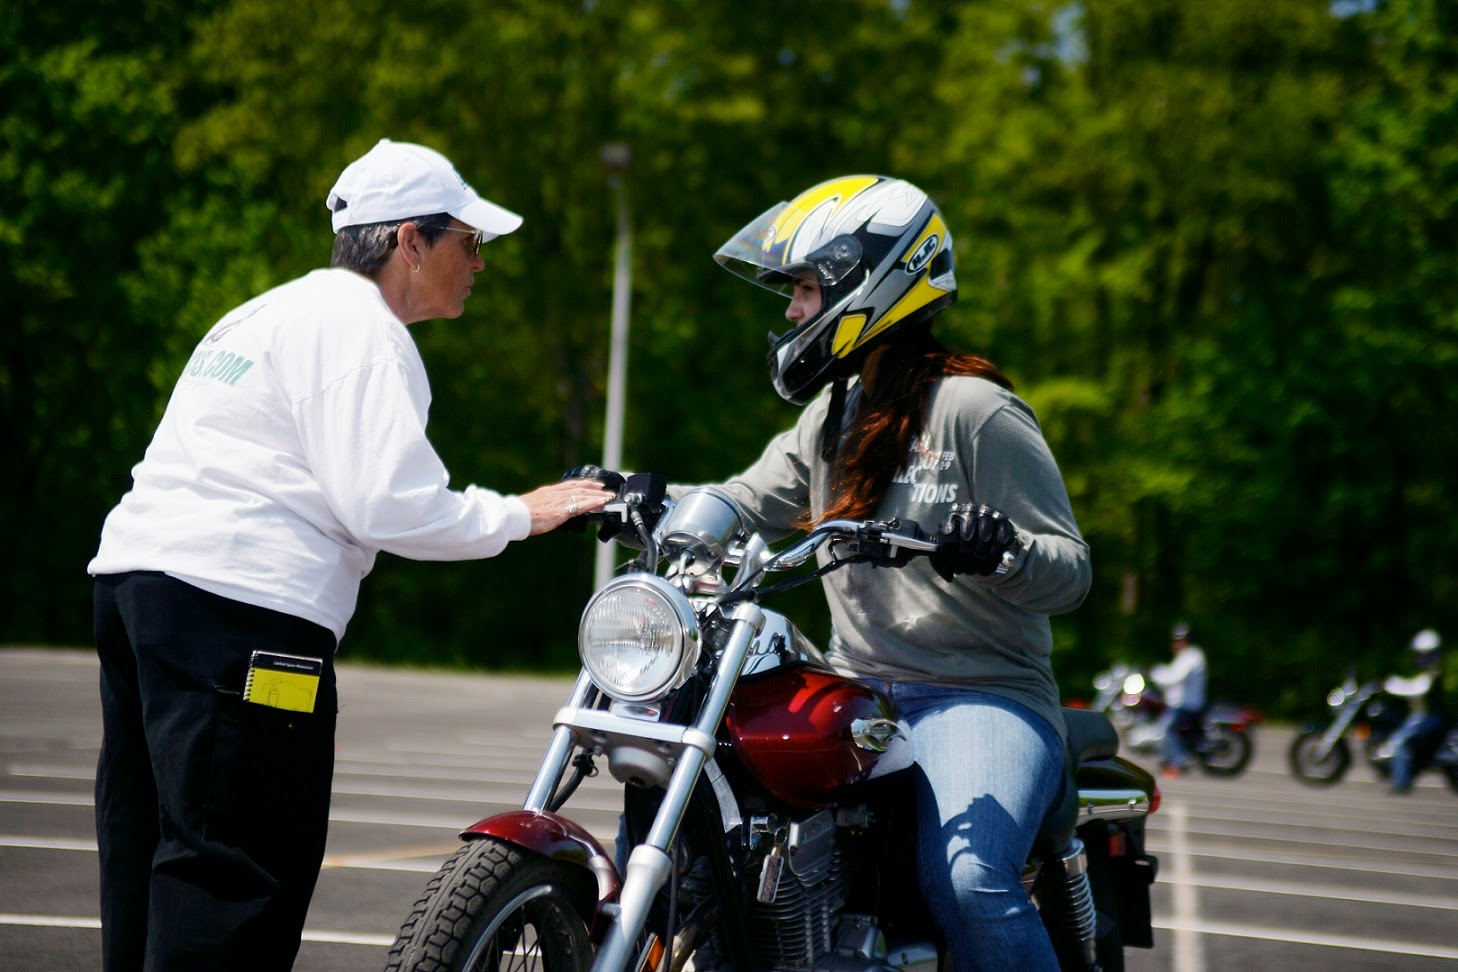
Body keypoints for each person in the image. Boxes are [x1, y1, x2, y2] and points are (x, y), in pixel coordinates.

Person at [85, 138, 612, 971]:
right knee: (236, 872)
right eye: (470, 242)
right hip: (242, 613)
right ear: (410, 241)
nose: (481, 262)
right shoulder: (367, 334)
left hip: (139, 593)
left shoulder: (263, 312)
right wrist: (521, 514)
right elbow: (390, 506)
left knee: (149, 853)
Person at [645, 176, 1090, 971]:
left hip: (979, 689)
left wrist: (1001, 551)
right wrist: (639, 496)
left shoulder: (975, 410)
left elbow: (1070, 570)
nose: (791, 312)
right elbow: (746, 499)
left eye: (808, 289)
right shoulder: (832, 417)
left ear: (871, 284)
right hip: (857, 685)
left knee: (970, 878)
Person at [1380, 629, 1449, 793]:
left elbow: (1415, 689)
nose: (1419, 658)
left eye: (1423, 655)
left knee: (1399, 742)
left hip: (1427, 717)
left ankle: (1401, 784)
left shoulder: (1434, 673)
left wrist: (1391, 685)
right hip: (1423, 716)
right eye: (1419, 654)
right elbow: (1414, 685)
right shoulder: (1430, 672)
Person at [1149, 622, 1208, 778]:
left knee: (1166, 729)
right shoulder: (1184, 657)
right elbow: (1170, 672)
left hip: (1188, 706)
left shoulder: (1192, 656)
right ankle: (1168, 760)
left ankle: (1177, 763)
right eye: (1175, 640)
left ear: (1188, 640)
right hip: (1179, 705)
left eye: (1181, 640)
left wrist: (1154, 675)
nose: (1177, 643)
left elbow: (1174, 677)